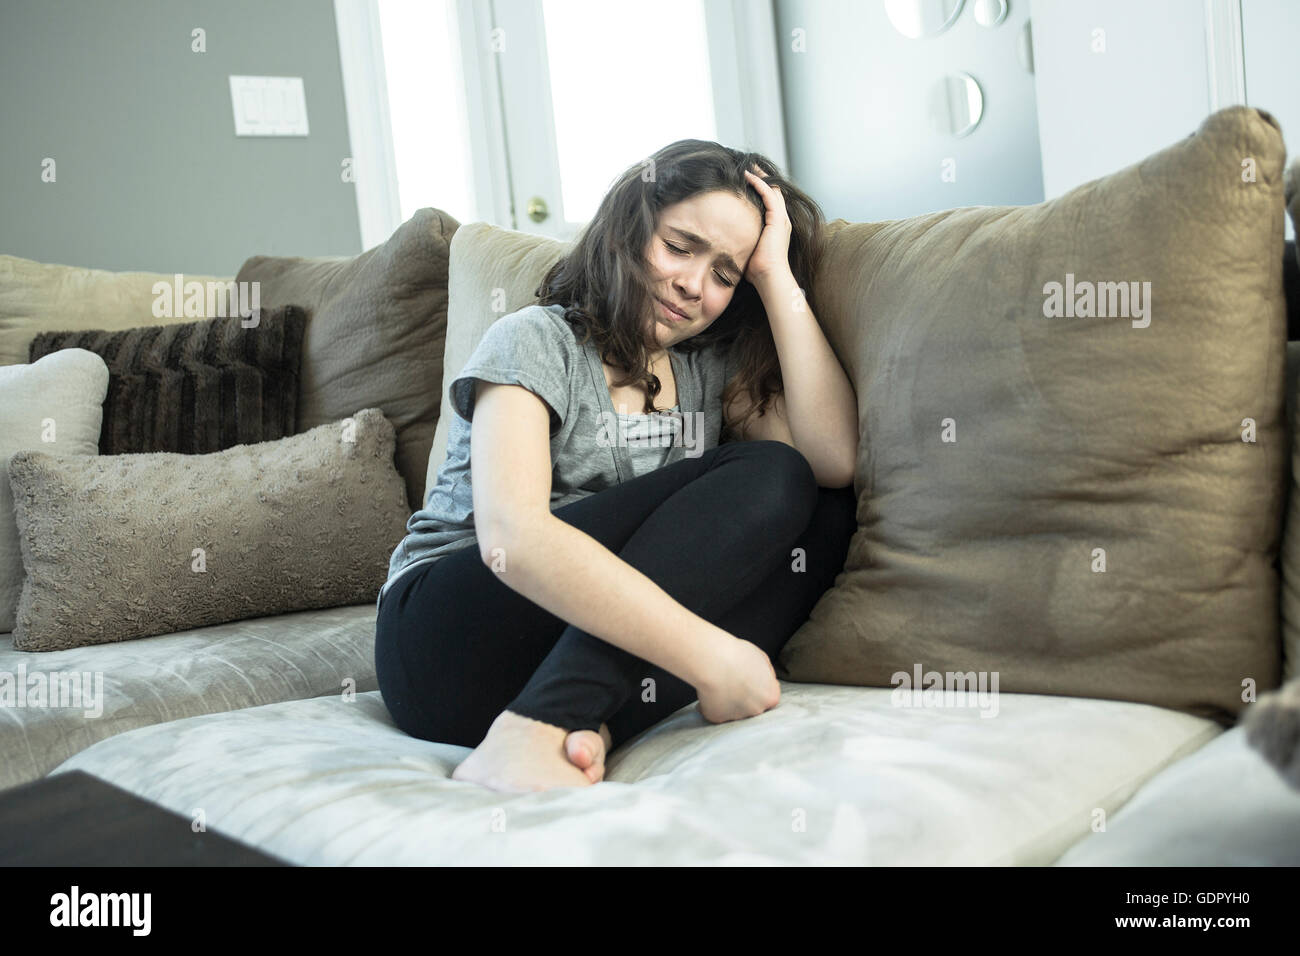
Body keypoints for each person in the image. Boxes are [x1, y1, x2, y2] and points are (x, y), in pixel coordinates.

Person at [374, 139, 859, 793]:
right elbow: (511, 542)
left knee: (824, 515)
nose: (694, 284)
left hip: (553, 666)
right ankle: (540, 722)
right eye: (681, 246)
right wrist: (714, 658)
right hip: (444, 645)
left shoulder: (706, 370)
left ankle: (577, 723)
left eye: (725, 274)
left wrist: (774, 275)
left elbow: (833, 460)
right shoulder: (536, 341)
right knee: (770, 469)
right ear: (629, 229)